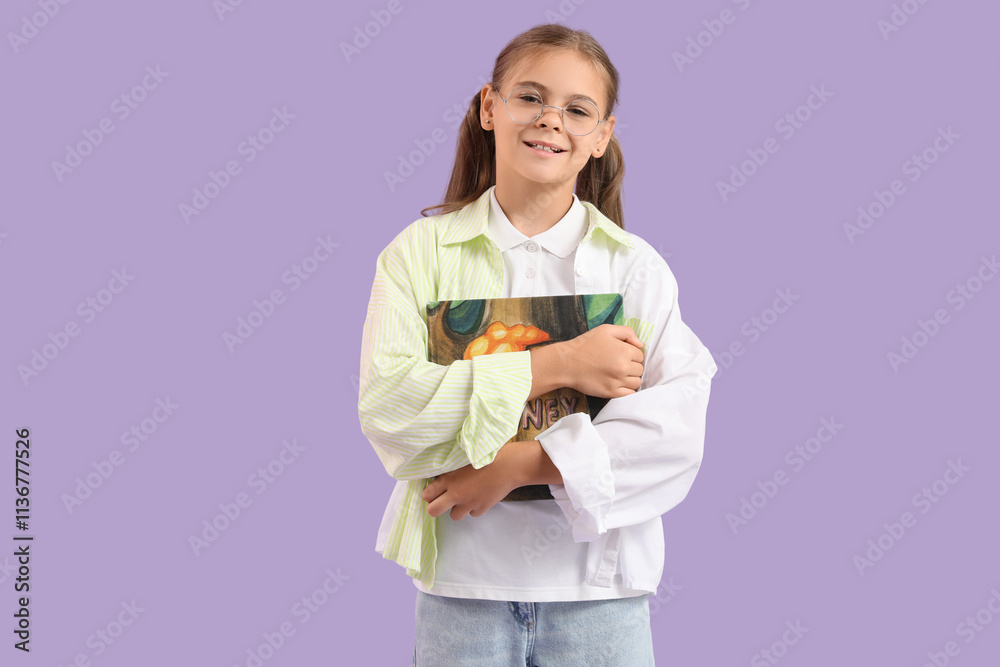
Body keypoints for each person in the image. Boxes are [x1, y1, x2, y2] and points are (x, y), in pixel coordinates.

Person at [357, 23, 717, 667]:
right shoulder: (419, 254)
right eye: (530, 97)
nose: (551, 119)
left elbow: (675, 433)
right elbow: (390, 407)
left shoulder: (634, 268)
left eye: (578, 110)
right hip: (461, 590)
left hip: (598, 596)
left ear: (601, 136)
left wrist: (520, 467)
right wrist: (559, 363)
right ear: (489, 107)